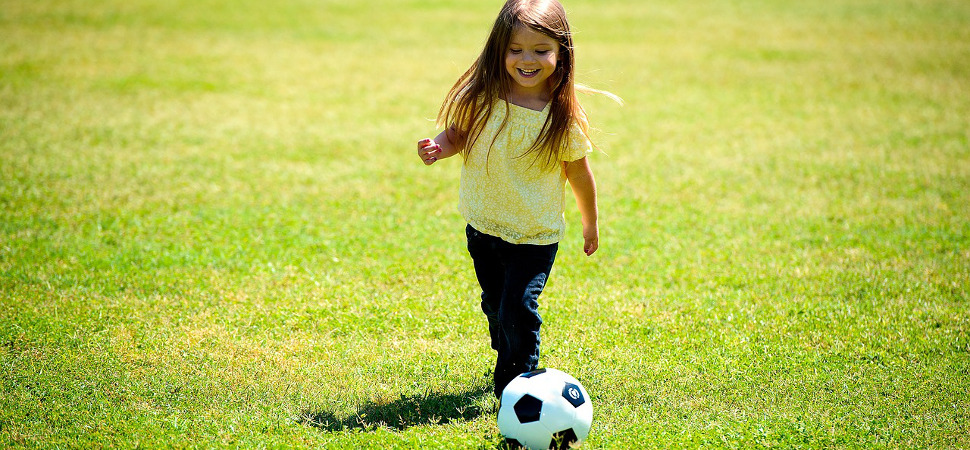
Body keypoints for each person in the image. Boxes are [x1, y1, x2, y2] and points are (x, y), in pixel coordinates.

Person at [416, 0, 613, 398]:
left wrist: (589, 223)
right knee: (495, 306)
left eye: (541, 50)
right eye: (515, 49)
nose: (527, 59)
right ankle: (508, 352)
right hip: (484, 225)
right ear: (499, 49)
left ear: (561, 52)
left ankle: (517, 385)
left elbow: (579, 174)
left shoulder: (562, 116)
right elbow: (457, 135)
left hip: (535, 235)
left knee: (516, 309)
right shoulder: (484, 98)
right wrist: (437, 147)